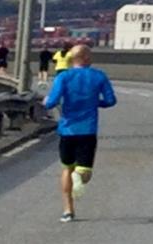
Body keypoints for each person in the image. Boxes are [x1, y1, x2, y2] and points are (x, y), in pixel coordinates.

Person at [42, 41, 117, 220]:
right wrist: (95, 102)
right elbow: (111, 100)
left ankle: (68, 210)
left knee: (66, 169)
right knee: (85, 173)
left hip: (67, 130)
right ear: (86, 58)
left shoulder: (63, 77)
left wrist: (46, 101)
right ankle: (78, 176)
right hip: (88, 130)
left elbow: (52, 102)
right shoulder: (98, 76)